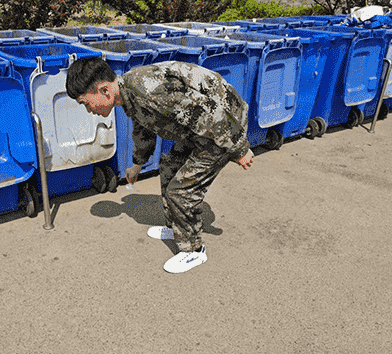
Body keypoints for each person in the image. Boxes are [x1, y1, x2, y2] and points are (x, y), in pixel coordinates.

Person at [66, 57, 254, 273]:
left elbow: (209, 112)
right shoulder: (130, 93)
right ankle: (177, 228)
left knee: (181, 190)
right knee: (169, 167)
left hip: (226, 123)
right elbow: (144, 126)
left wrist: (239, 148)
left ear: (104, 90)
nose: (88, 110)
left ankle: (194, 250)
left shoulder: (148, 91)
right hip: (204, 128)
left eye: (86, 103)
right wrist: (138, 163)